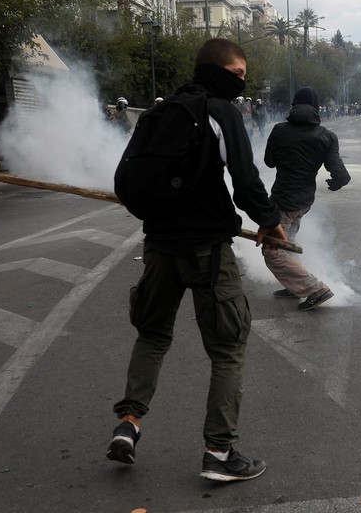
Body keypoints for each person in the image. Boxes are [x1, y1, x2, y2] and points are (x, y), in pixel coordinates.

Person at [107, 38, 287, 483]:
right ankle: (219, 453)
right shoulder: (222, 113)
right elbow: (245, 181)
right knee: (227, 348)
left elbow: (127, 180)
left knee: (151, 336)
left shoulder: (156, 113)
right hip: (207, 250)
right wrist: (269, 223)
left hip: (158, 247)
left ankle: (128, 425)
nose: (242, 83)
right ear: (218, 71)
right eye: (239, 75)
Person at [262, 86, 350, 311]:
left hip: (282, 201)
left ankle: (314, 289)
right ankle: (295, 286)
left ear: (294, 106)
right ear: (317, 109)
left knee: (271, 252)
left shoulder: (280, 130)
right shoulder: (327, 136)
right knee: (287, 243)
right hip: (303, 202)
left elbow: (269, 162)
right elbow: (340, 174)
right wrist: (336, 183)